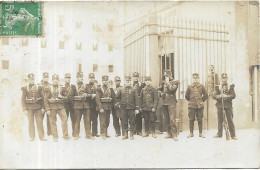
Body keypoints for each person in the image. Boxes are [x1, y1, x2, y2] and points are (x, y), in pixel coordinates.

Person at [43, 74, 71, 142]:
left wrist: (62, 97)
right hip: (52, 107)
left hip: (61, 106)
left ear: (58, 80)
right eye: (54, 79)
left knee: (65, 119)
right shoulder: (49, 88)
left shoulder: (62, 88)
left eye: (56, 79)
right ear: (52, 80)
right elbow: (45, 100)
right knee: (52, 121)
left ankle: (65, 135)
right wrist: (47, 109)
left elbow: (66, 97)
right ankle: (55, 136)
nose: (55, 81)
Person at [21, 73, 46, 141]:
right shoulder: (25, 88)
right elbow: (23, 99)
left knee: (39, 122)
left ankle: (41, 136)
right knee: (30, 122)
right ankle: (32, 137)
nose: (31, 81)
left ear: (34, 79)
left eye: (32, 79)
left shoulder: (38, 87)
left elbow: (43, 98)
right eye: (30, 79)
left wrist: (43, 108)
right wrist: (24, 109)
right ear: (28, 80)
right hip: (29, 109)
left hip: (38, 108)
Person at [68, 72, 93, 140]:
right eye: (80, 77)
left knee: (87, 121)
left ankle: (88, 135)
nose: (81, 78)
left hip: (86, 106)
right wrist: (75, 103)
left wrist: (86, 95)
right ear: (77, 77)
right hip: (77, 106)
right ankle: (76, 135)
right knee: (77, 121)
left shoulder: (86, 85)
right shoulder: (74, 86)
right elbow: (70, 96)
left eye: (82, 77)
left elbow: (90, 95)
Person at [213, 73, 237, 140]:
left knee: (230, 120)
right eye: (223, 78)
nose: (224, 79)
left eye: (225, 78)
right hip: (220, 105)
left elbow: (233, 95)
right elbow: (214, 95)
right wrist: (219, 96)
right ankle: (219, 134)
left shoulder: (230, 86)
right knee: (220, 120)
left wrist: (226, 96)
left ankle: (233, 135)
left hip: (228, 106)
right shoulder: (218, 86)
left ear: (227, 78)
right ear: (221, 78)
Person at [116, 75, 140, 140]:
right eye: (126, 81)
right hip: (123, 108)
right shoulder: (121, 89)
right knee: (124, 121)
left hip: (131, 108)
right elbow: (117, 97)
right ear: (124, 82)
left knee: (132, 121)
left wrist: (137, 108)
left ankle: (131, 134)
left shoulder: (134, 89)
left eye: (129, 81)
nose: (128, 82)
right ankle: (125, 134)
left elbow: (137, 99)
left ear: (130, 81)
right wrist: (119, 103)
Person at [185, 73, 208, 138]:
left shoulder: (201, 86)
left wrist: (201, 100)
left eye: (196, 78)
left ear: (198, 79)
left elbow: (206, 95)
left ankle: (200, 133)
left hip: (200, 106)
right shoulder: (189, 86)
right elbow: (186, 96)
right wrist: (191, 101)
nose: (195, 79)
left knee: (200, 119)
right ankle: (191, 133)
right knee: (191, 119)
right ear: (192, 79)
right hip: (191, 106)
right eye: (194, 78)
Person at [159, 70, 179, 141]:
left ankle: (174, 134)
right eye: (165, 76)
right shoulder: (163, 82)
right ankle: (169, 133)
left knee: (172, 118)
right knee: (166, 119)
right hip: (164, 101)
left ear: (171, 75)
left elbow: (171, 89)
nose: (166, 77)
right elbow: (159, 89)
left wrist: (167, 82)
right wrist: (161, 93)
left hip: (171, 101)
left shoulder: (175, 82)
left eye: (167, 75)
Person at [96, 75, 114, 140]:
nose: (105, 82)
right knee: (102, 121)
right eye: (104, 80)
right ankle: (103, 133)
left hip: (108, 107)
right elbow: (97, 99)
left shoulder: (109, 89)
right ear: (102, 81)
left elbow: (112, 96)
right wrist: (100, 108)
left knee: (107, 121)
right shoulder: (99, 88)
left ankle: (106, 132)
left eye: (106, 80)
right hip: (102, 107)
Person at [60, 73, 76, 137]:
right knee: (65, 120)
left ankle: (74, 133)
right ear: (64, 79)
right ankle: (65, 134)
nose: (68, 79)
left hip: (72, 105)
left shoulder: (73, 86)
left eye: (69, 78)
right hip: (65, 105)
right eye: (67, 78)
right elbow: (59, 94)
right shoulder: (62, 86)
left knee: (73, 119)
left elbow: (75, 95)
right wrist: (63, 98)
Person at [86, 73, 99, 137]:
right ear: (89, 78)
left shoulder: (96, 86)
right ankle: (89, 133)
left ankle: (95, 133)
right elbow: (85, 94)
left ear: (94, 78)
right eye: (90, 78)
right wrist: (91, 95)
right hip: (88, 105)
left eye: (93, 78)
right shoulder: (86, 86)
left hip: (95, 105)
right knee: (88, 119)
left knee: (95, 119)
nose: (91, 79)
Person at [41, 72, 52, 136]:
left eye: (47, 77)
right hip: (42, 106)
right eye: (44, 77)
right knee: (40, 120)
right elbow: (40, 96)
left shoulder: (50, 85)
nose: (46, 78)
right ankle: (41, 134)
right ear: (43, 77)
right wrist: (42, 107)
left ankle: (49, 133)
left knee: (49, 120)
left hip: (48, 105)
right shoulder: (40, 85)